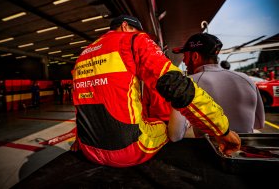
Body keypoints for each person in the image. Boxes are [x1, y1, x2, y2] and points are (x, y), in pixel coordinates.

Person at [71, 15, 240, 167]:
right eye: (135, 30)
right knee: (166, 127)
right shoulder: (134, 40)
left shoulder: (83, 55)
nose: (138, 34)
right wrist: (221, 130)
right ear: (125, 26)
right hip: (128, 151)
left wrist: (80, 140)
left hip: (88, 148)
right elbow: (176, 85)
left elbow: (82, 105)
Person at [171, 33, 265, 138]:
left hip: (210, 151)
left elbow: (175, 135)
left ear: (195, 56)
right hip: (244, 151)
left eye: (185, 57)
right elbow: (259, 123)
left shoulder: (188, 84)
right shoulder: (247, 79)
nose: (184, 61)